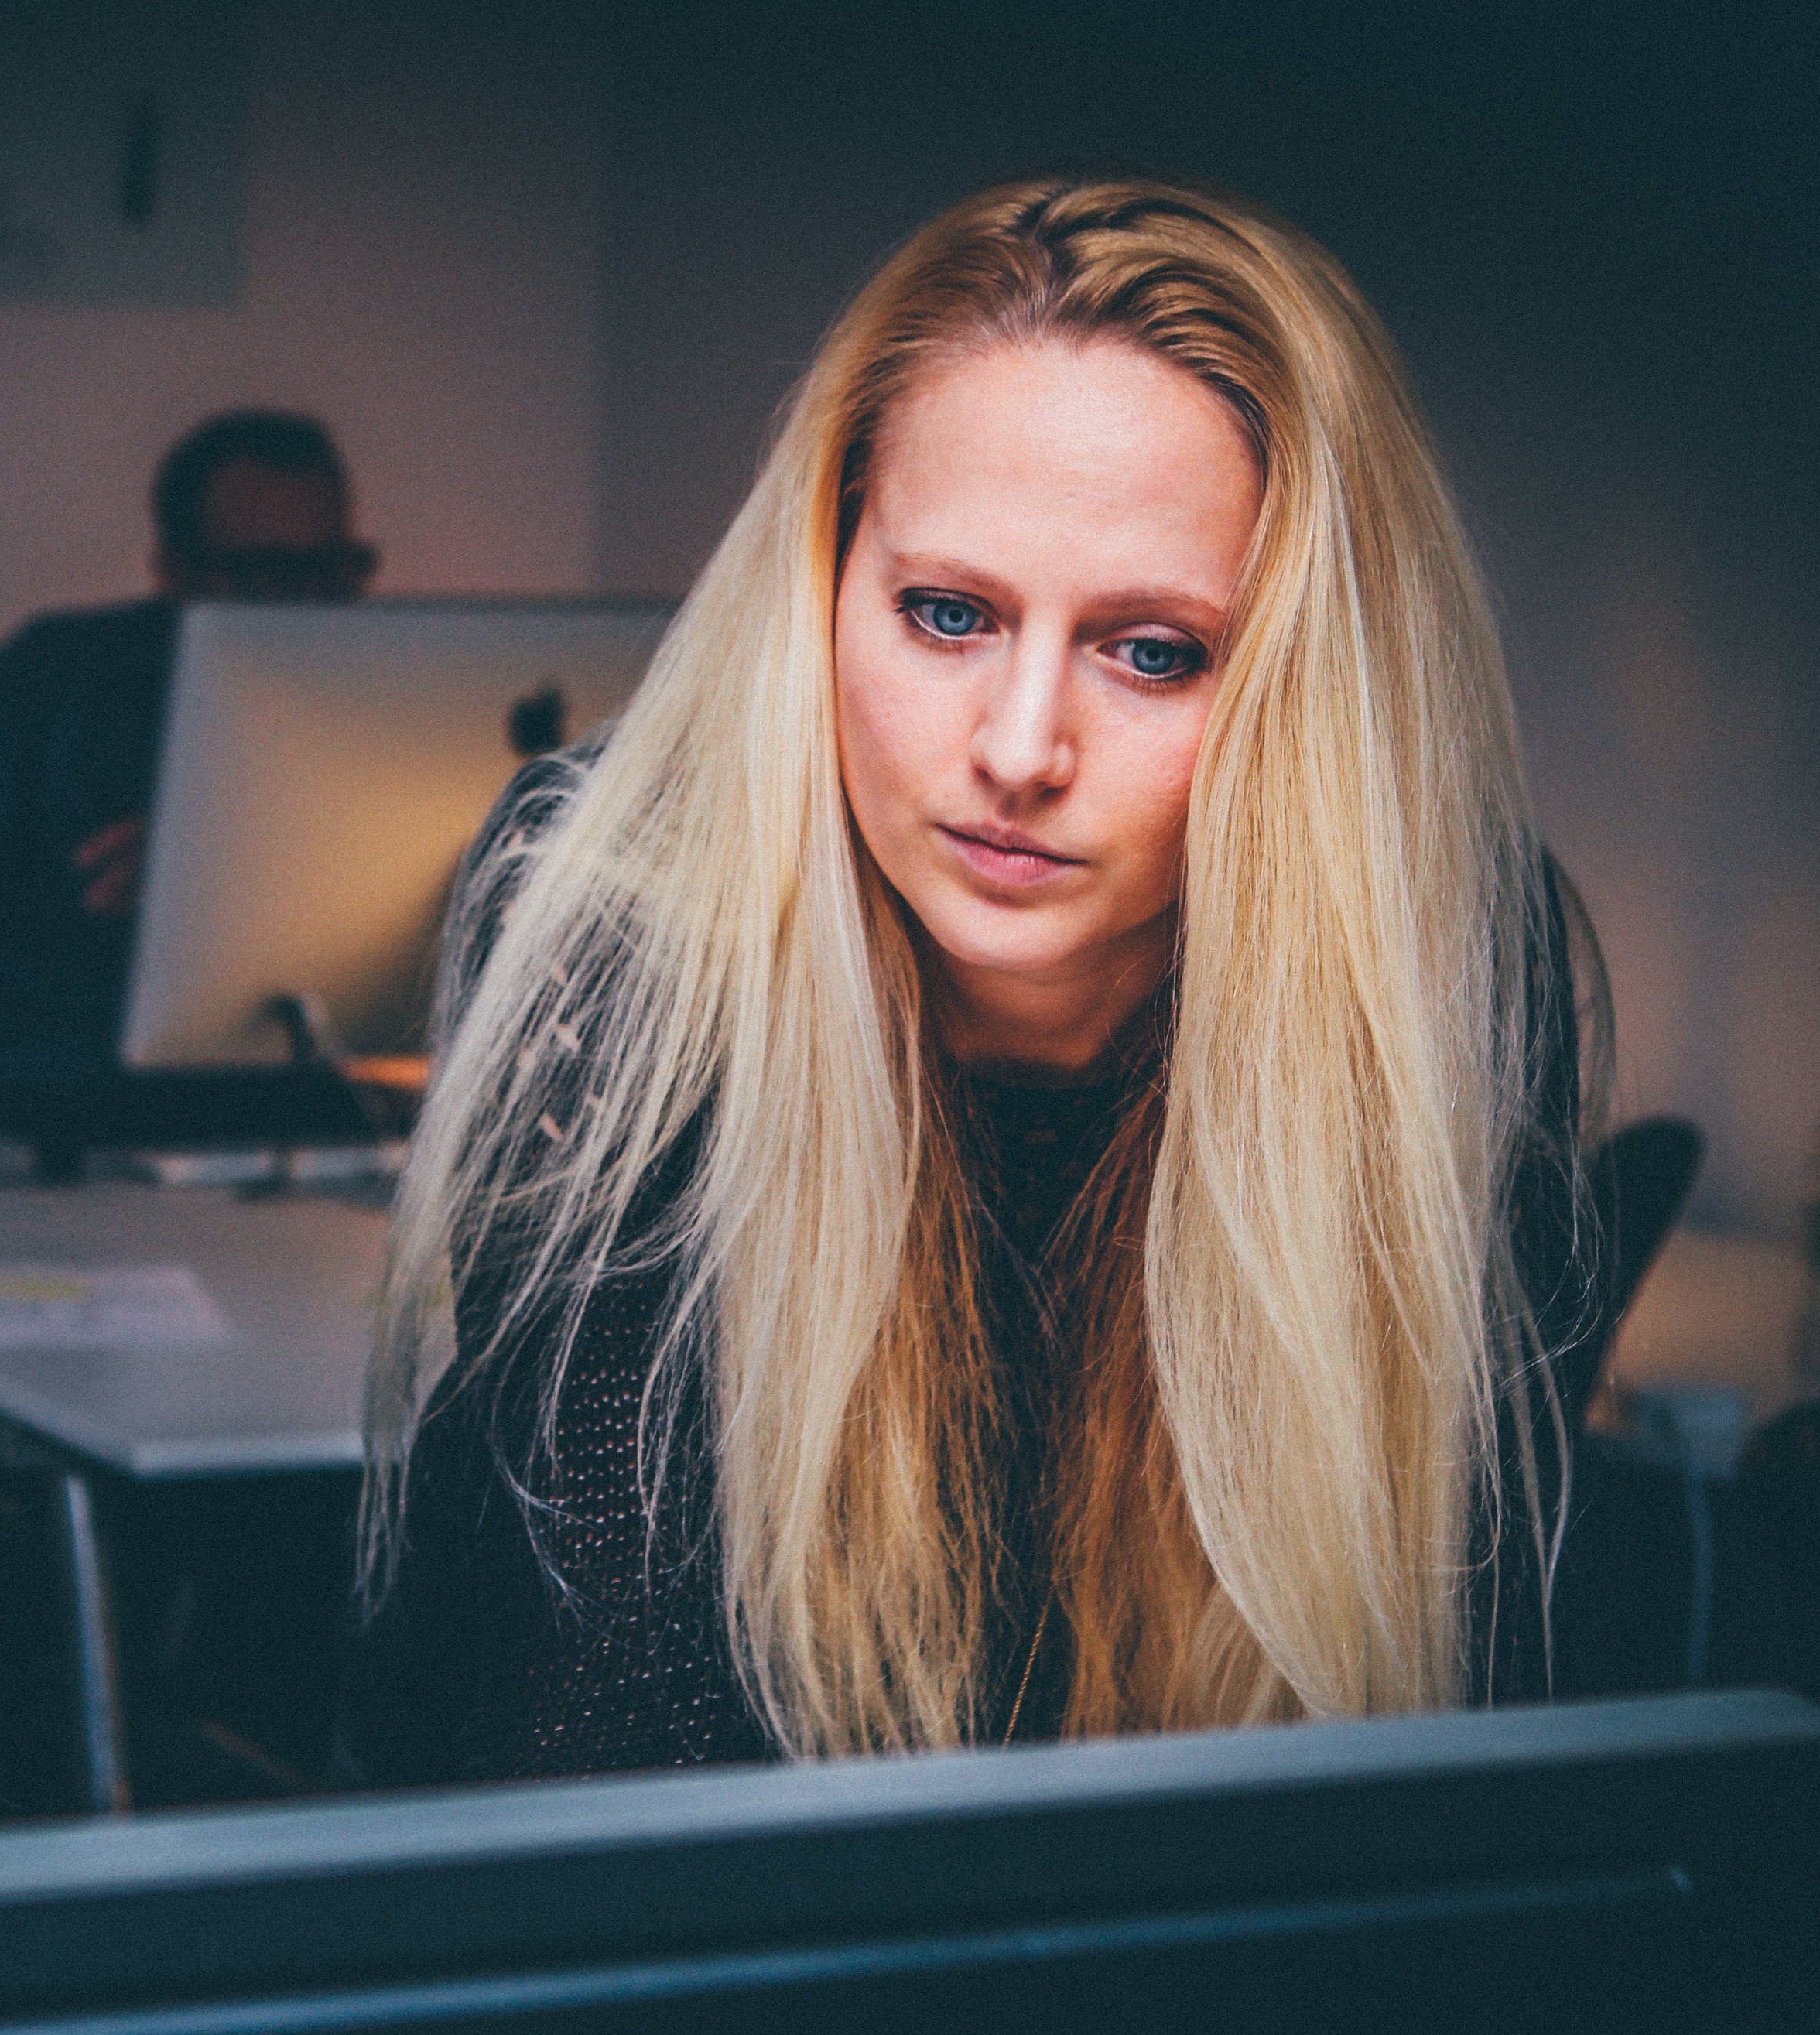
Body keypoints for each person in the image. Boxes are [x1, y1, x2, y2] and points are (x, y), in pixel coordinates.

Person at [347, 176, 1606, 1788]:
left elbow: (1431, 1731)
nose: (1017, 751)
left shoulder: (1448, 960)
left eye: (1153, 651)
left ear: (1308, 691)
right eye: (944, 613)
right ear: (820, 588)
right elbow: (614, 1739)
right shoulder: (625, 921)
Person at [0, 408, 378, 1106]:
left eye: (332, 571)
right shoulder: (56, 682)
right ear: (172, 572)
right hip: (46, 1107)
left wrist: (239, 868)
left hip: (292, 1111)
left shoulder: (377, 713)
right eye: (264, 574)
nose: (306, 606)